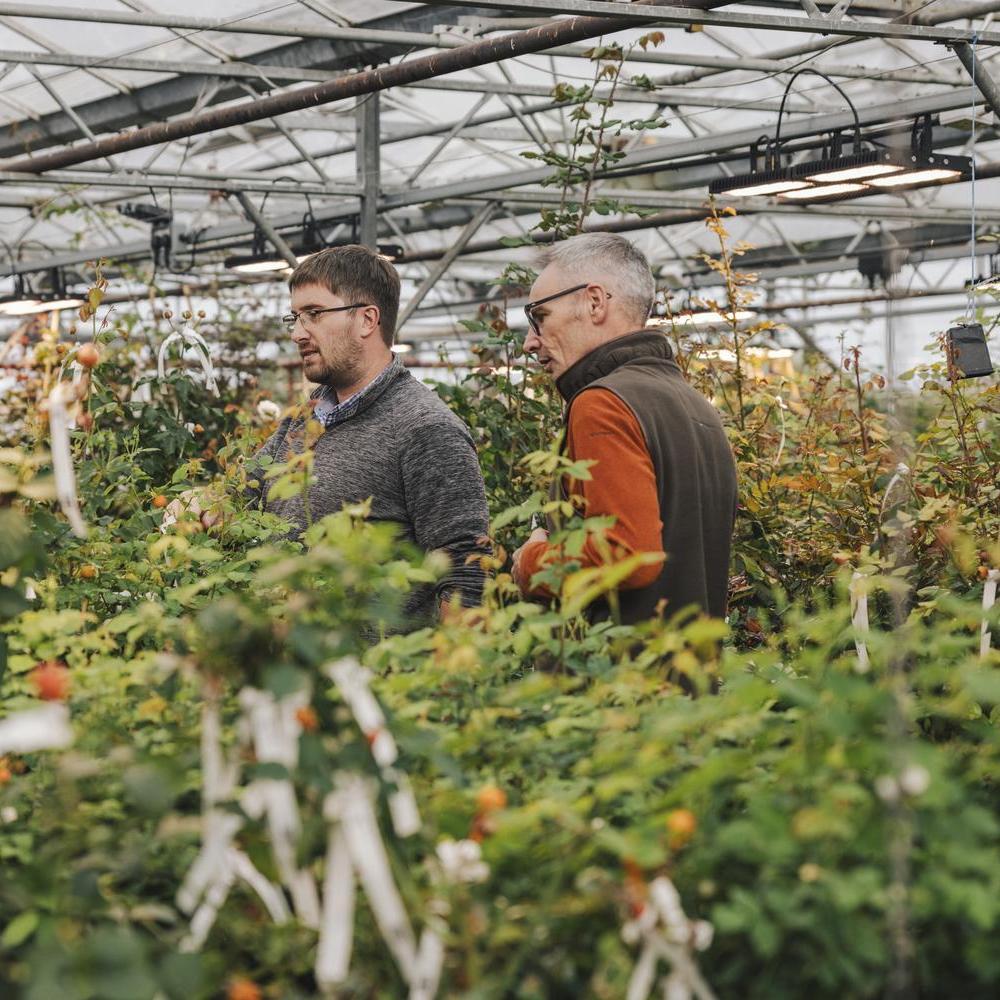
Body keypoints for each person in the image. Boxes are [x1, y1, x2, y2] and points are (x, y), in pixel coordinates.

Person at [248, 244, 490, 625]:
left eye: (313, 314)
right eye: (294, 317)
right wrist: (198, 503)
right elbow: (242, 493)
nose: (297, 333)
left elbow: (466, 570)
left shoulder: (424, 426)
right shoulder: (304, 420)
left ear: (366, 320)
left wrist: (452, 675)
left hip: (377, 674)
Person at [511, 233, 737, 624]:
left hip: (616, 673)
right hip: (690, 669)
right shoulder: (694, 404)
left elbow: (626, 557)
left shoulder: (602, 404)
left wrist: (531, 563)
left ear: (594, 302)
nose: (530, 342)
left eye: (540, 317)